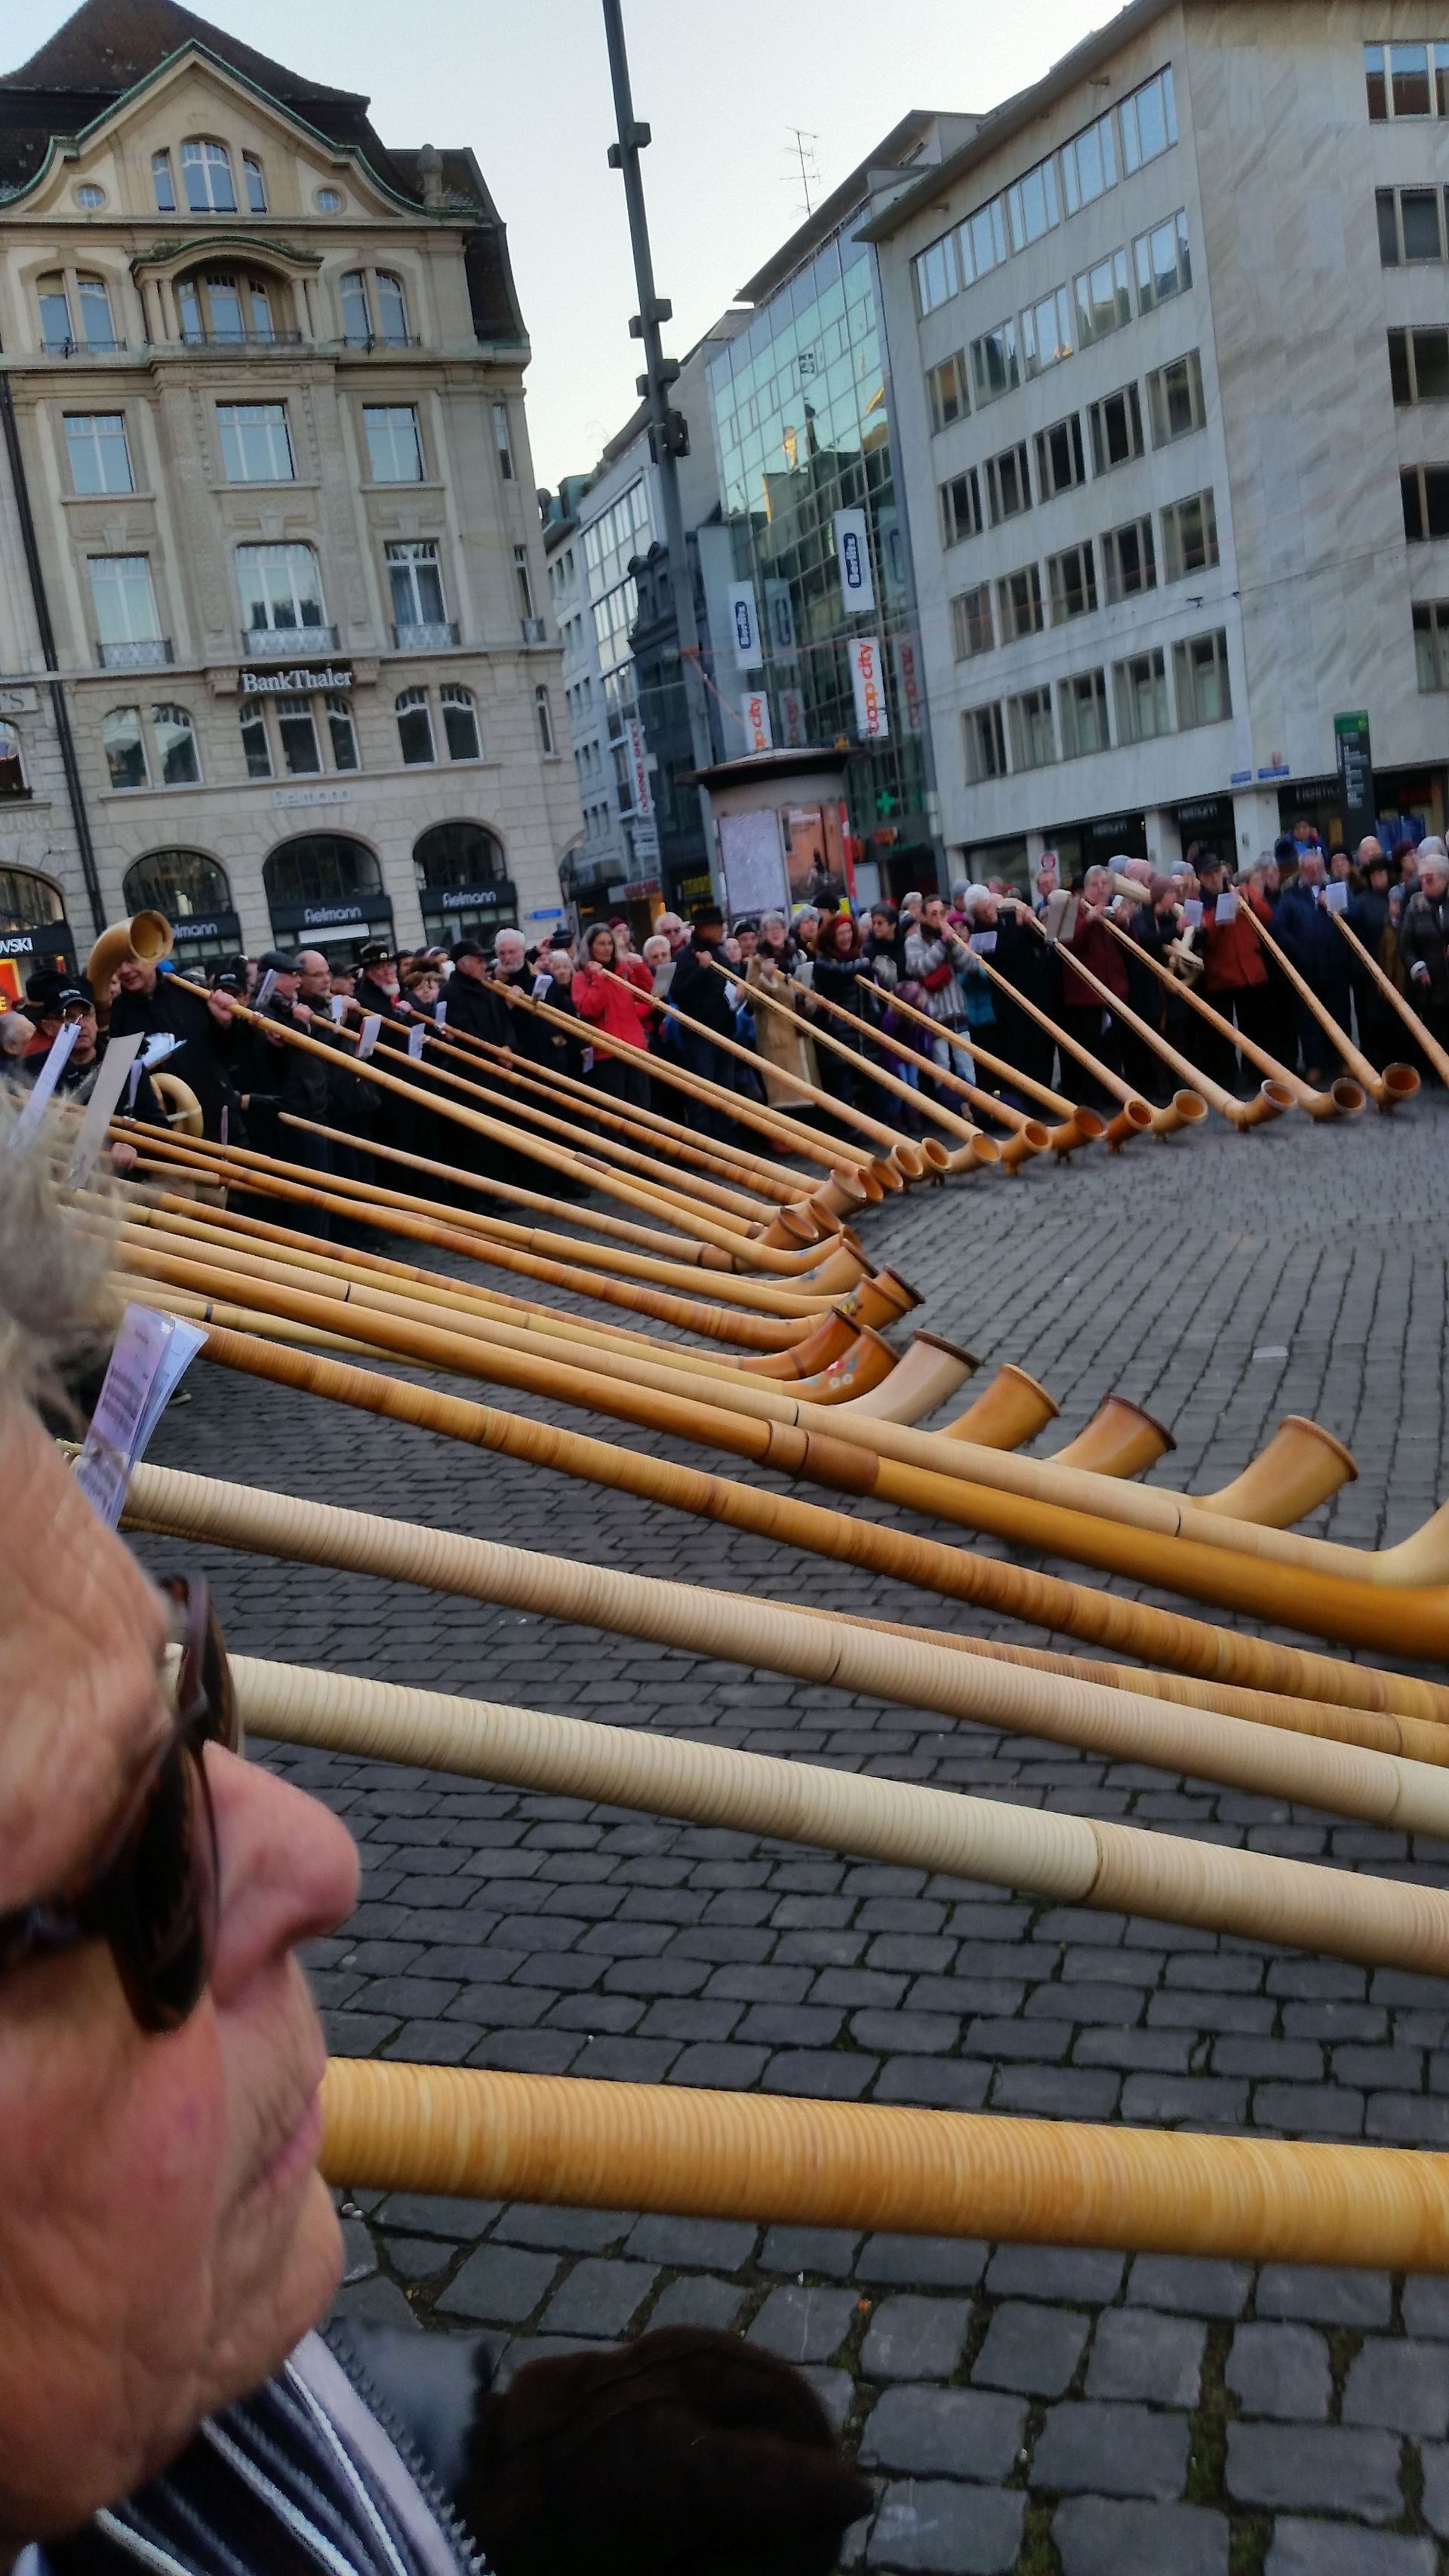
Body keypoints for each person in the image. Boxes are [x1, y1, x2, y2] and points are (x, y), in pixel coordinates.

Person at [0, 1115, 872, 2576]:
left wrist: (496, 2450)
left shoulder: (126, 2357)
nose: (319, 1857)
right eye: (126, 1850)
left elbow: (231, 2418)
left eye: (191, 1688)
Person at [103, 936, 244, 1144]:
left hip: (220, 1123)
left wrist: (226, 1025)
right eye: (118, 963)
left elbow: (231, 1054)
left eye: (131, 961)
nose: (124, 971)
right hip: (167, 1136)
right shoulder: (115, 1015)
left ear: (151, 956)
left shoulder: (190, 991)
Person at [1274, 848, 1352, 1082]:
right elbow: (1279, 928)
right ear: (1301, 870)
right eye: (1309, 869)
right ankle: (1314, 1063)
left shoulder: (1336, 888)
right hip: (1306, 968)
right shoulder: (1290, 896)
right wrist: (1298, 949)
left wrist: (1335, 907)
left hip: (1335, 965)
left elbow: (1354, 913)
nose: (1314, 872)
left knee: (1340, 1015)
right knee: (1308, 1019)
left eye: (1317, 868)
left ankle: (1340, 1060)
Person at [1197, 854, 1274, 1091]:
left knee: (1257, 1029)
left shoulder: (1240, 890)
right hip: (1222, 976)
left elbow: (1267, 916)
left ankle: (1258, 1073)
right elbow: (1204, 935)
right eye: (1209, 874)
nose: (1215, 878)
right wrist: (1224, 909)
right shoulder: (1200, 901)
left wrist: (1249, 898)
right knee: (1224, 1035)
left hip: (1251, 972)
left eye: (1217, 872)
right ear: (1201, 878)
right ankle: (1229, 1077)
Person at [665, 904, 737, 1136]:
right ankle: (704, 1143)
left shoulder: (720, 953)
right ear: (705, 929)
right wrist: (701, 970)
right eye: (717, 927)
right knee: (703, 1092)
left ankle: (726, 1139)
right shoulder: (685, 957)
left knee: (726, 1090)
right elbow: (677, 992)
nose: (721, 931)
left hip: (724, 1030)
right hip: (699, 1035)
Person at [571, 922, 653, 1107]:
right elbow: (589, 1009)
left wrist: (639, 968)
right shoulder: (581, 978)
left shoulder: (623, 971)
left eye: (609, 943)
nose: (607, 948)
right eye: (601, 944)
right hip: (607, 1054)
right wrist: (598, 979)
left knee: (643, 1110)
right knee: (615, 1114)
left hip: (635, 1049)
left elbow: (651, 996)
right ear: (590, 947)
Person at [746, 927, 820, 1113]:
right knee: (786, 1099)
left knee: (809, 1097)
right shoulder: (757, 962)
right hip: (776, 1036)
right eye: (771, 929)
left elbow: (809, 987)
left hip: (800, 1032)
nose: (776, 933)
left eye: (779, 928)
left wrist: (811, 1001)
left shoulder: (799, 956)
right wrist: (766, 978)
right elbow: (752, 999)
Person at [1346, 841, 1402, 1067]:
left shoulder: (1398, 897)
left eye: (1381, 873)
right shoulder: (1361, 903)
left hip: (1398, 968)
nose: (1378, 877)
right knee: (1375, 1020)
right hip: (1372, 971)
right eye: (1374, 874)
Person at [1398, 842, 1449, 1073]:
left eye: (1430, 878)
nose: (1424, 882)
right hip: (1432, 984)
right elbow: (1405, 943)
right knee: (1437, 1030)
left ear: (1445, 878)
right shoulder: (1415, 906)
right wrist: (1418, 968)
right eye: (1422, 878)